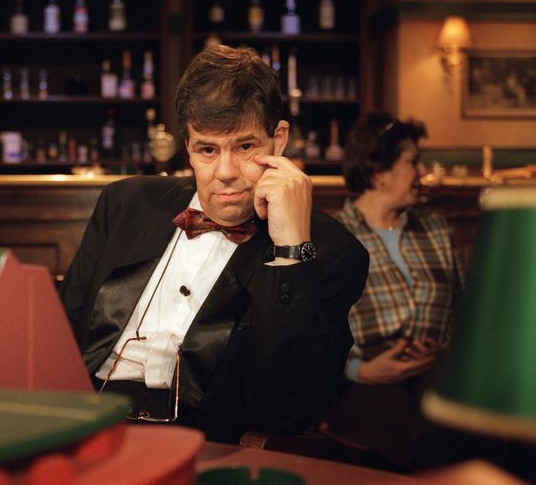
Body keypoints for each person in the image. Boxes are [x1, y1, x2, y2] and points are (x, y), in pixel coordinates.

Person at [60, 44, 369, 443]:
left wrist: (291, 251)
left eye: (245, 147)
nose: (225, 172)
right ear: (187, 146)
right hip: (85, 422)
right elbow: (62, 334)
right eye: (207, 149)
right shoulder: (124, 203)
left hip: (203, 442)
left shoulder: (329, 251)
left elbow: (285, 411)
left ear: (278, 140)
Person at [323, 112, 471, 469]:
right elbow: (314, 328)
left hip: (436, 368)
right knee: (395, 426)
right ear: (378, 171)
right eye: (412, 162)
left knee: (457, 422)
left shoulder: (435, 228)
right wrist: (359, 370)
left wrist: (444, 348)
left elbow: (465, 309)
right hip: (361, 376)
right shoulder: (333, 235)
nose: (422, 172)